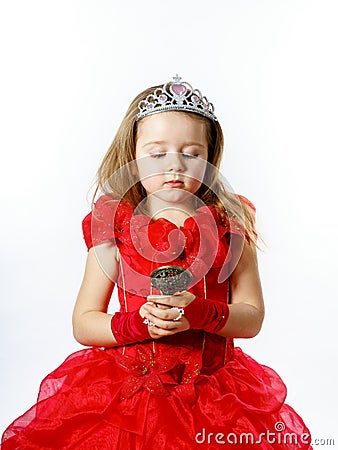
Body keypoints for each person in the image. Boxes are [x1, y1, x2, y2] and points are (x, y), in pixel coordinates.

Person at [1, 75, 312, 449]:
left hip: (216, 394)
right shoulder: (115, 225)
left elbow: (252, 315)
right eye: (157, 153)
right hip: (129, 392)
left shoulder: (230, 224)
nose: (176, 166)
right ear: (132, 157)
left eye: (192, 154)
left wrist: (201, 314)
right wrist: (139, 324)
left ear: (210, 159)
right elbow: (84, 321)